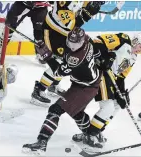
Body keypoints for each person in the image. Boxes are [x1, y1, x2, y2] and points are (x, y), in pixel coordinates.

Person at [22, 27, 114, 155]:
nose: (72, 45)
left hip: (84, 88)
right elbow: (97, 52)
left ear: (81, 42)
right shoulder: (87, 40)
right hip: (88, 83)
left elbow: (58, 72)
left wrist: (47, 57)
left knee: (55, 110)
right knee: (76, 112)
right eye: (71, 42)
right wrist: (103, 60)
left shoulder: (76, 57)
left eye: (75, 43)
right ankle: (91, 136)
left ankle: (41, 143)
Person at [72, 32, 141, 152]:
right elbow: (97, 42)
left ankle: (95, 131)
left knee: (118, 104)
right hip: (99, 73)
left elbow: (120, 77)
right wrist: (103, 58)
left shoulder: (133, 58)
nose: (140, 50)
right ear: (135, 41)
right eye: (140, 46)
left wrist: (122, 94)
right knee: (108, 107)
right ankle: (89, 136)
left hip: (110, 78)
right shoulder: (123, 40)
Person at [30, 1, 105, 106]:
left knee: (68, 61)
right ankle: (39, 90)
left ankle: (53, 85)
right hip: (53, 32)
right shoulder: (64, 2)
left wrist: (95, 3)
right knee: (59, 64)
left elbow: (83, 4)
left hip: (66, 33)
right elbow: (71, 25)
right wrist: (88, 14)